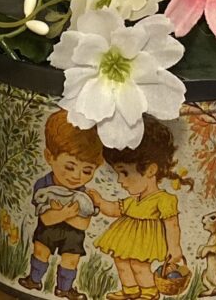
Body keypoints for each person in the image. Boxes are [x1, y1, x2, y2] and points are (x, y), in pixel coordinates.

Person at [87, 116, 192, 300]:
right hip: (127, 241)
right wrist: (99, 201)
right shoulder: (132, 201)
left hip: (145, 243)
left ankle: (149, 292)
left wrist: (174, 249)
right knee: (120, 261)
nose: (120, 180)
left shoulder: (164, 200)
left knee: (139, 265)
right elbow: (114, 210)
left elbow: (172, 225)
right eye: (119, 173)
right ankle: (130, 290)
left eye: (125, 173)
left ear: (150, 170)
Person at [19, 110, 104, 300]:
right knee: (41, 251)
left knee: (71, 260)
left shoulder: (83, 195)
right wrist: (68, 213)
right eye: (70, 166)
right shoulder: (44, 186)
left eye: (87, 170)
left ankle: (64, 289)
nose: (76, 176)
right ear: (50, 157)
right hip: (48, 230)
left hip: (73, 235)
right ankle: (34, 279)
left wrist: (64, 214)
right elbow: (46, 219)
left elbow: (84, 224)